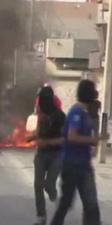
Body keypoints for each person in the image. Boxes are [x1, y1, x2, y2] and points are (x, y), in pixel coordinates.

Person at [50, 80, 109, 225]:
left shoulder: (85, 112)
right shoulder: (76, 112)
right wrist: (94, 139)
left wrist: (95, 138)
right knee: (66, 202)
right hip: (72, 164)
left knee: (91, 202)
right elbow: (72, 136)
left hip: (83, 164)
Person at [28, 86, 66, 225]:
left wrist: (46, 142)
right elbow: (40, 130)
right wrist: (33, 137)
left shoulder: (61, 116)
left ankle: (55, 199)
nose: (41, 102)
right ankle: (41, 217)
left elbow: (64, 139)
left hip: (56, 155)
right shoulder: (41, 114)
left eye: (42, 99)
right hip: (41, 154)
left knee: (49, 185)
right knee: (38, 185)